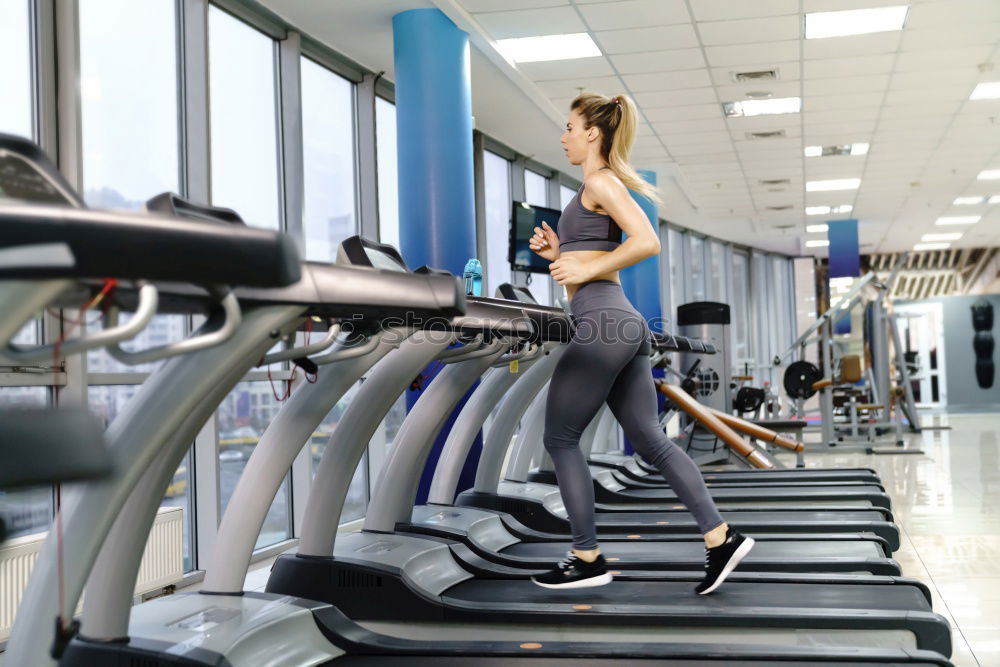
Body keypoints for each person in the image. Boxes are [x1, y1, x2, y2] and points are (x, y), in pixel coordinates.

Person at [527, 92, 753, 595]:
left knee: (561, 440)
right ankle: (720, 537)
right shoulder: (592, 186)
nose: (563, 136)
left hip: (604, 322)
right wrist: (561, 254)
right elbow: (590, 267)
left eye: (569, 127)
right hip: (621, 322)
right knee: (650, 440)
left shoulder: (600, 180)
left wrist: (583, 265)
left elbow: (647, 240)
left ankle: (586, 557)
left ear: (591, 133)